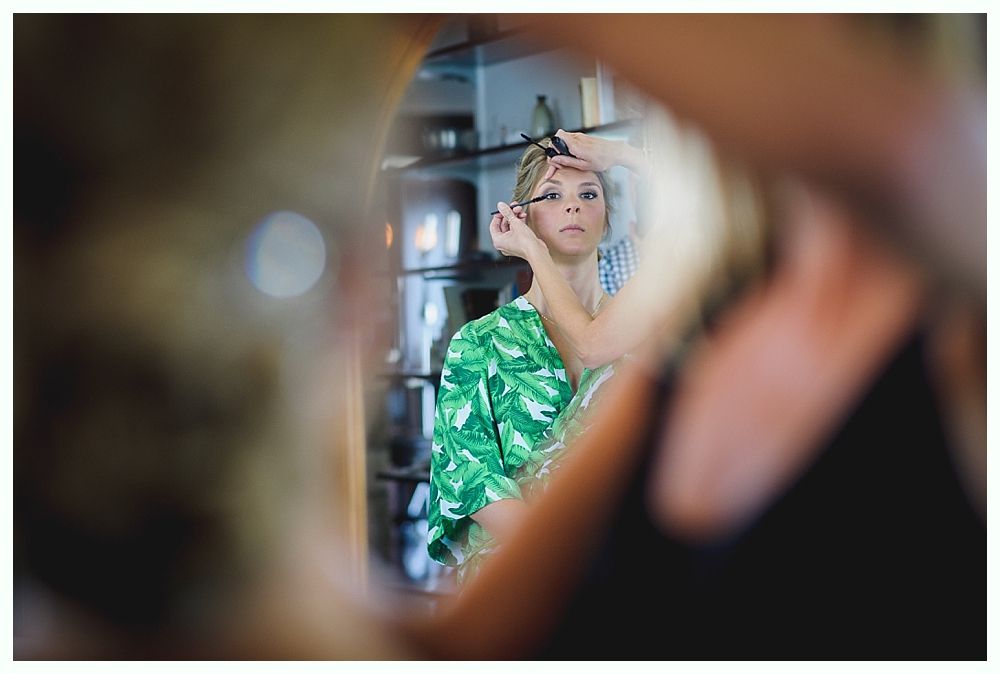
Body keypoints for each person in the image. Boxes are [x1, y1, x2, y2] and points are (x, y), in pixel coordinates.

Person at [426, 138, 621, 585]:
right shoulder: (478, 343)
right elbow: (474, 481)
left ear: (608, 215)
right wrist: (572, 564)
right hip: (516, 584)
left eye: (589, 194)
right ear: (521, 216)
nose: (572, 206)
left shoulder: (641, 336)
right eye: (552, 195)